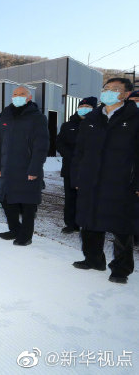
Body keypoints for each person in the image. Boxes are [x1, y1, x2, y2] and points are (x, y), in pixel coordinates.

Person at [71, 78, 139, 284]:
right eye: (106, 88)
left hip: (120, 181)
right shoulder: (92, 118)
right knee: (89, 221)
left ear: (126, 94)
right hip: (91, 179)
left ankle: (121, 269)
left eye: (115, 89)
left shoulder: (135, 118)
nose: (109, 92)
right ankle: (93, 259)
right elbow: (79, 151)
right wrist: (77, 176)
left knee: (121, 227)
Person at [0, 86, 49, 246]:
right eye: (15, 94)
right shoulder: (5, 116)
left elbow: (41, 146)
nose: (17, 97)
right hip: (7, 167)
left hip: (27, 168)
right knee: (7, 200)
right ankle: (14, 229)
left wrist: (35, 168)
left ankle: (26, 235)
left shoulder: (37, 118)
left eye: (21, 94)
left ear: (29, 98)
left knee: (28, 203)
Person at [56, 97, 97, 234]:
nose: (84, 107)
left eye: (88, 105)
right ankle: (70, 224)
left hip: (91, 168)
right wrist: (73, 156)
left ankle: (87, 223)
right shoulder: (68, 125)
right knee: (70, 197)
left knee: (89, 197)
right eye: (82, 105)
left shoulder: (99, 124)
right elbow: (59, 143)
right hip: (70, 167)